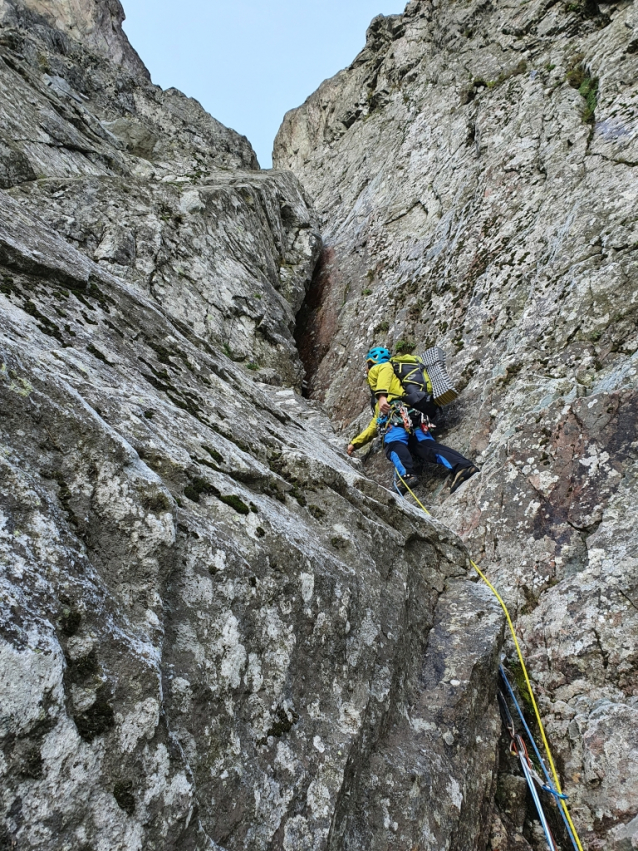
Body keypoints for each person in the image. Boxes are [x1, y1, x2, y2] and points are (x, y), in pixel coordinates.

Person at [346, 347, 479, 494]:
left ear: (371, 362)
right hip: (414, 415)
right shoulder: (393, 387)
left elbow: (385, 370)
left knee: (393, 444)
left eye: (367, 365)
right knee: (425, 446)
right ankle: (463, 466)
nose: (366, 369)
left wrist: (382, 396)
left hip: (396, 416)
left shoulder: (379, 369)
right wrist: (355, 444)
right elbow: (375, 424)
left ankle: (406, 475)